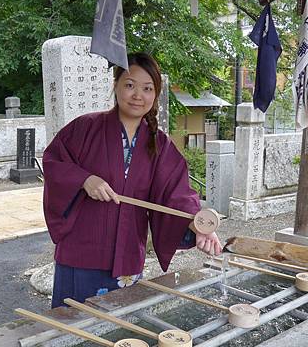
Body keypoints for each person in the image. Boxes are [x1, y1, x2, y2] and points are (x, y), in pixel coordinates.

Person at [42, 52, 222, 308]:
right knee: (73, 328)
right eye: (129, 85)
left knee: (119, 330)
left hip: (126, 252)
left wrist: (198, 225)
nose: (138, 95)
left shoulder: (159, 145)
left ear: (155, 94)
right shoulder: (85, 128)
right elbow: (53, 161)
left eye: (147, 88)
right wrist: (84, 179)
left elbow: (176, 194)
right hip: (80, 251)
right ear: (115, 86)